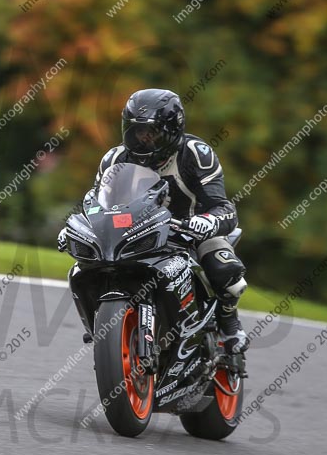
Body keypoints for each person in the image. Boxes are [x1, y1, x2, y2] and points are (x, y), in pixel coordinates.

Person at [67, 88, 251, 376]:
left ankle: (229, 327)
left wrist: (207, 222)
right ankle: (105, 331)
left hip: (189, 231)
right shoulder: (114, 159)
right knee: (84, 267)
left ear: (172, 130)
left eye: (151, 132)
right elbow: (95, 203)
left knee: (223, 268)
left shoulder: (195, 154)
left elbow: (223, 207)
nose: (143, 139)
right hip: (137, 231)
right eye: (137, 131)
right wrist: (78, 226)